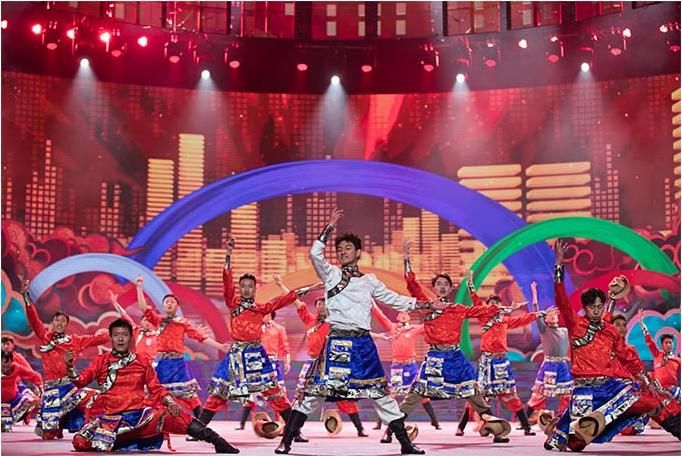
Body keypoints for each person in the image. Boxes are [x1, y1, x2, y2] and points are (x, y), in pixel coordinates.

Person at [275, 208, 431, 455]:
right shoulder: (331, 274)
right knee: (314, 394)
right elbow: (314, 253)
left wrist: (425, 305)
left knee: (381, 394)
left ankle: (405, 443)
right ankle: (286, 441)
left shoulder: (369, 281)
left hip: (363, 345)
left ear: (358, 252)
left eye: (348, 248)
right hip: (337, 342)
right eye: (339, 249)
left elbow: (394, 299)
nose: (342, 251)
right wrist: (329, 227)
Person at [545, 240, 681, 452]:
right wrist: (558, 267)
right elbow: (561, 300)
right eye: (592, 307)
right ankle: (560, 430)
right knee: (576, 444)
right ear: (585, 308)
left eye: (599, 307)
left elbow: (628, 357)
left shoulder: (609, 331)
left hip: (610, 388)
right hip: (585, 393)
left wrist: (648, 381)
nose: (596, 310)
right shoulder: (576, 324)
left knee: (653, 402)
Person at [387, 249, 512, 445]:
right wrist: (407, 261)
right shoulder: (427, 306)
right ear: (434, 287)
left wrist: (500, 309)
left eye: (446, 284)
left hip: (455, 357)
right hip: (435, 358)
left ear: (450, 287)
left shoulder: (457, 309)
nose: (442, 286)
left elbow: (480, 310)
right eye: (439, 284)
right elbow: (412, 285)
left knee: (472, 390)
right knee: (417, 393)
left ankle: (495, 429)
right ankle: (391, 429)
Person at [198, 236, 318, 434]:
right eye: (243, 285)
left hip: (256, 355)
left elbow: (284, 299)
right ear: (239, 288)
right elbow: (226, 281)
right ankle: (198, 429)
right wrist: (228, 254)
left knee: (274, 393)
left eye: (250, 286)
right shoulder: (233, 304)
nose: (246, 289)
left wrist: (309, 289)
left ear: (255, 289)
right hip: (236, 355)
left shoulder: (261, 308)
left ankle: (294, 432)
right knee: (218, 393)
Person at [66, 318, 239, 453]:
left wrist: (170, 402)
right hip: (111, 422)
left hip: (141, 419)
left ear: (130, 337)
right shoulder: (101, 361)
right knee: (80, 442)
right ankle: (126, 442)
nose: (120, 338)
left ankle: (217, 441)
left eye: (124, 334)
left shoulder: (141, 361)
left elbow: (156, 388)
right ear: (111, 338)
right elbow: (80, 381)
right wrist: (69, 367)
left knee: (175, 416)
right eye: (116, 335)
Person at [278, 276, 369, 438]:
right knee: (301, 396)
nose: (321, 306)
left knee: (343, 396)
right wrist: (281, 285)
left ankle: (359, 428)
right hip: (312, 363)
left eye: (325, 304)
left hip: (331, 364)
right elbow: (295, 300)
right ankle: (294, 431)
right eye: (319, 304)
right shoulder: (310, 320)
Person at [21, 279, 108, 439]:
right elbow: (34, 320)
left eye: (63, 321)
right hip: (52, 390)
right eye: (57, 320)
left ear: (67, 324)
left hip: (70, 388)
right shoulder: (45, 338)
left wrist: (118, 332)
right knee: (48, 435)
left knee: (95, 398)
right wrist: (26, 296)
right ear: (53, 323)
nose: (60, 323)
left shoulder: (75, 340)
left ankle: (96, 430)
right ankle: (57, 426)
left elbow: (98, 339)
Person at [136, 276, 228, 419]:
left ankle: (200, 425)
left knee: (190, 396)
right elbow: (144, 308)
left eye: (172, 302)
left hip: (178, 363)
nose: (169, 304)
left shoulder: (183, 323)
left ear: (177, 307)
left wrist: (220, 346)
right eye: (167, 302)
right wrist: (139, 287)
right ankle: (146, 423)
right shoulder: (158, 320)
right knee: (154, 394)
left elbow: (200, 337)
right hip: (162, 363)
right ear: (163, 306)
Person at [473, 287, 540, 436]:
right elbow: (476, 303)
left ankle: (526, 426)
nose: (494, 306)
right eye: (491, 303)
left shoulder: (505, 321)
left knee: (510, 395)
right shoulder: (484, 319)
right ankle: (479, 425)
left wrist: (538, 314)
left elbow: (522, 320)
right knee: (481, 395)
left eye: (497, 303)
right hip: (487, 362)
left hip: (501, 362)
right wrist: (471, 286)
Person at [524, 281, 572, 423]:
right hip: (549, 365)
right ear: (545, 319)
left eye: (554, 314)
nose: (552, 316)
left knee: (566, 395)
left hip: (562, 366)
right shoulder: (545, 330)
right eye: (549, 315)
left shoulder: (565, 331)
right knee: (539, 395)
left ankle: (563, 420)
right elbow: (536, 313)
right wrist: (534, 293)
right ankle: (525, 422)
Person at [638, 308, 680, 401]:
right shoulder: (657, 354)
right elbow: (649, 340)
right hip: (658, 391)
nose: (668, 345)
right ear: (662, 345)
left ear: (673, 344)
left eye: (670, 343)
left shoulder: (678, 360)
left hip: (673, 391)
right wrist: (641, 324)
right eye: (666, 343)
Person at [1, 350, 42, 432]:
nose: (6, 369)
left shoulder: (16, 367)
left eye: (8, 366)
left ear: (12, 362)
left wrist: (39, 386)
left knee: (34, 400)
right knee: (4, 429)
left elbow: (35, 375)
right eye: (3, 366)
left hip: (14, 401)